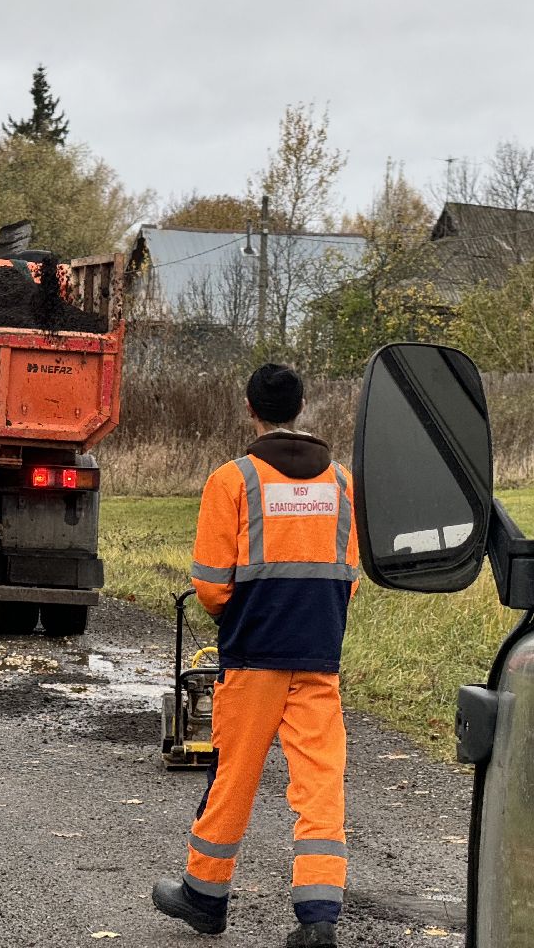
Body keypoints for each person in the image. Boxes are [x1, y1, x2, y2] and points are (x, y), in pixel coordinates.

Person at [152, 363, 359, 948]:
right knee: (320, 784)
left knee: (233, 778)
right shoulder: (342, 483)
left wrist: (238, 617)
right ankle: (318, 916)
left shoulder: (233, 481)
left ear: (250, 409)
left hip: (252, 657)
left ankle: (205, 896)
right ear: (302, 408)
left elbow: (213, 583)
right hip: (318, 656)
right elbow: (350, 575)